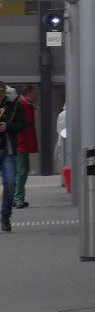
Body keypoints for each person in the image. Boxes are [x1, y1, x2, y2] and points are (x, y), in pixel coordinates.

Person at [0, 80, 29, 232]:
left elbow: (23, 124)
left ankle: (5, 214)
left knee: (10, 183)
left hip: (8, 150)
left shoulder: (14, 104)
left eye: (1, 92)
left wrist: (8, 126)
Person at [14, 85, 37, 209]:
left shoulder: (25, 105)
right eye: (33, 93)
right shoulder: (22, 105)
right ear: (28, 94)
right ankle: (18, 198)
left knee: (22, 170)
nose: (35, 95)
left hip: (22, 144)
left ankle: (17, 197)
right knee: (21, 171)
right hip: (21, 144)